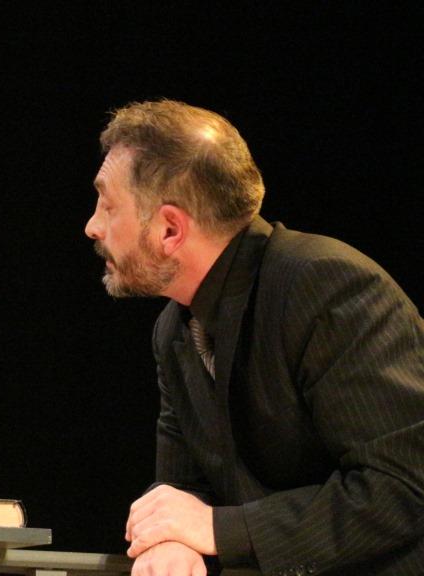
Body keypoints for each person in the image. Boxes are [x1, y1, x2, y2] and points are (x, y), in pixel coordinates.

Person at [84, 100, 424, 575]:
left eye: (107, 205)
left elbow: (403, 487)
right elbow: (184, 489)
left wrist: (219, 530)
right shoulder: (174, 327)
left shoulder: (324, 286)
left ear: (170, 229)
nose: (93, 226)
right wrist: (170, 542)